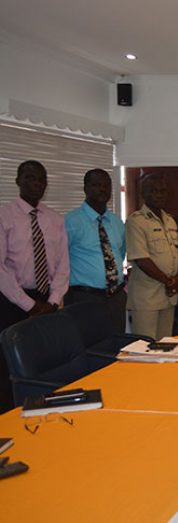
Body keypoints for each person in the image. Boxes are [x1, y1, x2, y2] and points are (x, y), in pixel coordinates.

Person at [0, 160, 69, 411]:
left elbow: (63, 266)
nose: (35, 184)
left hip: (48, 301)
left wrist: (52, 301)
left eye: (40, 179)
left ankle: (45, 410)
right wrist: (29, 304)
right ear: (18, 180)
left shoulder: (54, 219)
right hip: (12, 301)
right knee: (10, 365)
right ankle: (10, 415)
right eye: (29, 178)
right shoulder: (4, 216)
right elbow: (1, 269)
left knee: (45, 360)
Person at [64, 169, 127, 334]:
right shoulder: (70, 222)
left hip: (116, 297)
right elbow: (59, 261)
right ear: (85, 188)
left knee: (117, 346)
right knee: (90, 349)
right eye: (96, 185)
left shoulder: (116, 222)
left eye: (106, 185)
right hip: (85, 298)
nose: (102, 189)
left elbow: (119, 254)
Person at [126, 174, 178, 340]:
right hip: (147, 298)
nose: (159, 195)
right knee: (146, 347)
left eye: (162, 191)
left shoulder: (170, 220)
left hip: (168, 296)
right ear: (144, 194)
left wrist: (177, 279)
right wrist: (169, 281)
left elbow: (175, 255)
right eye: (154, 191)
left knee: (165, 344)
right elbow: (141, 259)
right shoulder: (136, 221)